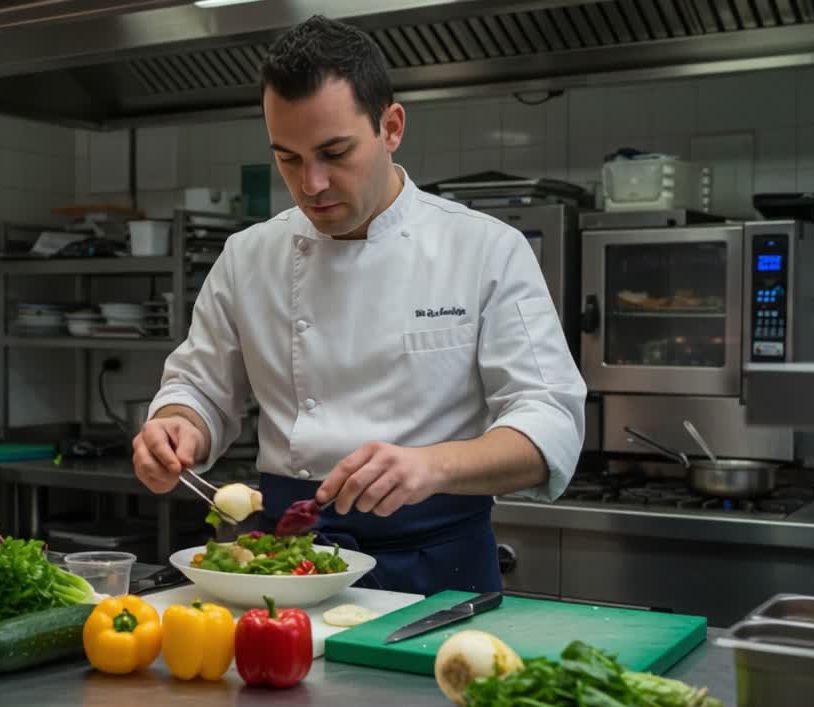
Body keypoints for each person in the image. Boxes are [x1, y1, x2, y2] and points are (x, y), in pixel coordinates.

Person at [132, 15, 586, 595]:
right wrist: (177, 427)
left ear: (390, 127)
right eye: (288, 158)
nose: (312, 184)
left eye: (334, 152)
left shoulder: (485, 249)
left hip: (436, 574)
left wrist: (433, 465)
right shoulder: (248, 256)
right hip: (287, 566)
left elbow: (550, 421)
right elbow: (199, 388)